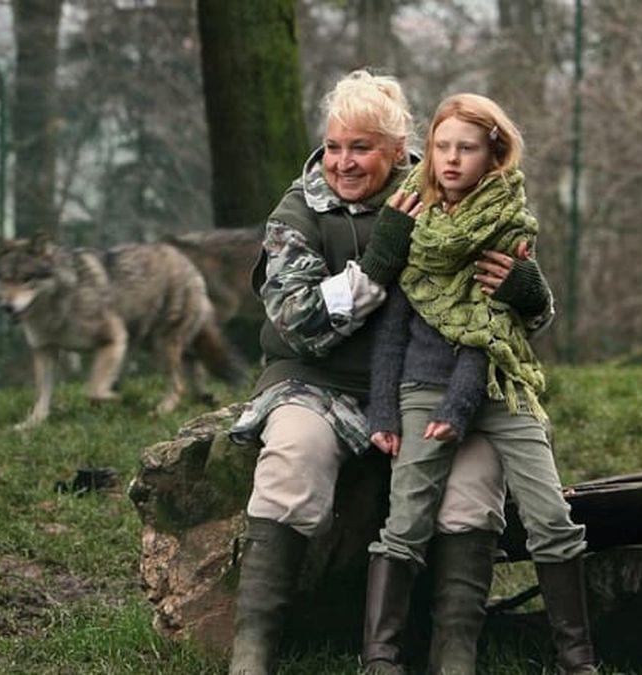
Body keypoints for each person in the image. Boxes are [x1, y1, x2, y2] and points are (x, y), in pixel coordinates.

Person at [226, 71, 556, 675]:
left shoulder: (443, 194)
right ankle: (253, 649)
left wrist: (529, 293)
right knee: (293, 454)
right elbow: (295, 324)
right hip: (316, 382)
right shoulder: (298, 212)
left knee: (474, 483)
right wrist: (377, 263)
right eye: (333, 146)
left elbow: (501, 315)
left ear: (398, 149)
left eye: (361, 148)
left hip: (434, 387)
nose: (343, 163)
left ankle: (454, 653)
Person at [362, 93, 597, 675]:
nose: (450, 159)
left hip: (500, 385)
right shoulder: (411, 218)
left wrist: (528, 286)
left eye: (466, 148)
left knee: (550, 516)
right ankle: (379, 657)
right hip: (422, 388)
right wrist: (383, 414)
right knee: (406, 518)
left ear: (493, 155)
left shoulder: (509, 225)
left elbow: (490, 331)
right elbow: (389, 331)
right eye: (442, 146)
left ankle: (578, 659)